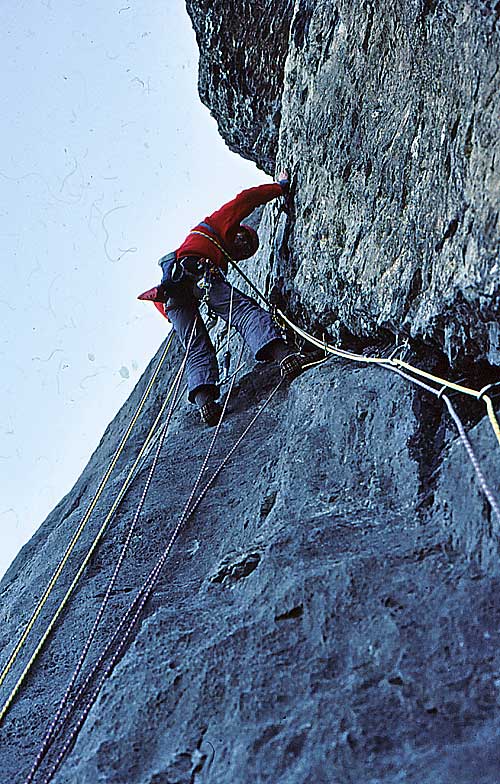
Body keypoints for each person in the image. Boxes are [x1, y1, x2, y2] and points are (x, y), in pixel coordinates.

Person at [138, 172, 312, 425]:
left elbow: (161, 299)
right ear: (239, 233)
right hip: (198, 271)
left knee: (195, 345)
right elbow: (246, 199)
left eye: (247, 252)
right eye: (246, 243)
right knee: (243, 312)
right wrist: (280, 187)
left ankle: (205, 402)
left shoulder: (188, 252)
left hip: (173, 295)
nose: (242, 249)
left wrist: (178, 315)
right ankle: (285, 356)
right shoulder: (217, 225)